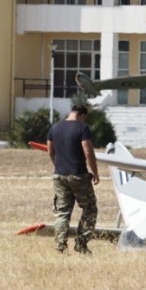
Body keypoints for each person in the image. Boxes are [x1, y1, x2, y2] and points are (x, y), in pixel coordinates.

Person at [46, 103, 99, 254]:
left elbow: (50, 149)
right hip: (78, 174)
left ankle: (60, 247)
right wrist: (95, 172)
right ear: (82, 115)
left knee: (62, 212)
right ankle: (81, 244)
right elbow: (88, 152)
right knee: (89, 208)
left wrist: (57, 165)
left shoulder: (55, 127)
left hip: (59, 176)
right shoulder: (82, 128)